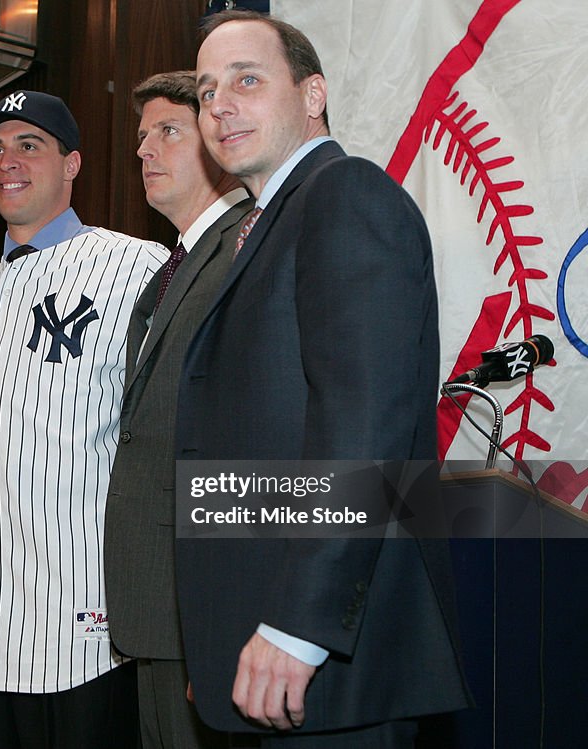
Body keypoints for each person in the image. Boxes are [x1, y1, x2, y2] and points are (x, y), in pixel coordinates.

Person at [174, 10, 471, 747]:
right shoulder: (267, 225)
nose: (220, 106)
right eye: (207, 92)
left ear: (313, 95)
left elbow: (361, 428)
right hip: (262, 663)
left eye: (247, 79)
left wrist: (297, 626)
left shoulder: (344, 195)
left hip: (327, 672)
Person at [0, 90, 167, 748]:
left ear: (72, 165)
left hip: (81, 629)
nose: (8, 160)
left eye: (29, 145)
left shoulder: (136, 265)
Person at [103, 70, 252, 749]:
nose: (144, 151)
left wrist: (221, 619)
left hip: (201, 606)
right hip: (158, 603)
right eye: (141, 138)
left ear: (218, 143)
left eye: (168, 131)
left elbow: (244, 438)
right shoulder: (178, 266)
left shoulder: (242, 253)